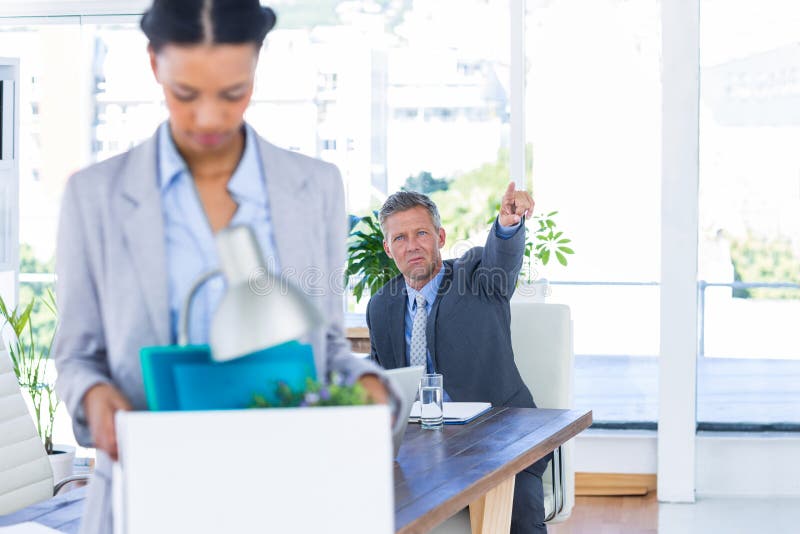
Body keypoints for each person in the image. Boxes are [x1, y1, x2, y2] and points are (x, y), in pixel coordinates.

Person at [52, 1, 390, 532]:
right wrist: (96, 399)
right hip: (148, 497)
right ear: (153, 64)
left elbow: (322, 347)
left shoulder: (315, 188)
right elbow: (76, 358)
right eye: (185, 94)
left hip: (291, 497)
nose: (209, 117)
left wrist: (370, 387)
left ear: (256, 66)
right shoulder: (93, 197)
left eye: (234, 93)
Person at [366, 185, 550, 534]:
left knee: (517, 509)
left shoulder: (478, 275)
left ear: (440, 236)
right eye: (400, 238)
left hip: (497, 440)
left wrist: (508, 224)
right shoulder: (381, 305)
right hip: (417, 448)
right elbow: (382, 384)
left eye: (421, 233)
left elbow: (503, 260)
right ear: (388, 248)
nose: (412, 245)